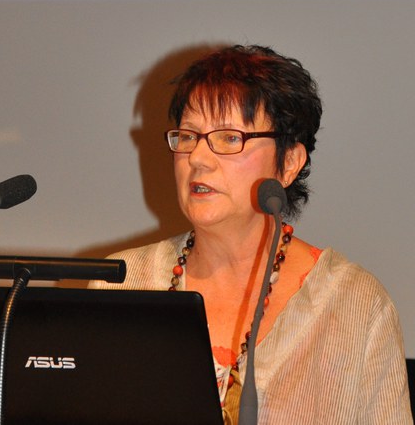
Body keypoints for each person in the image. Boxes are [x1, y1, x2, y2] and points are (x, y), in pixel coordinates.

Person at [90, 45, 412, 424]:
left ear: (289, 163)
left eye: (229, 138)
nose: (197, 158)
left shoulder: (357, 306)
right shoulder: (122, 282)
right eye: (188, 136)